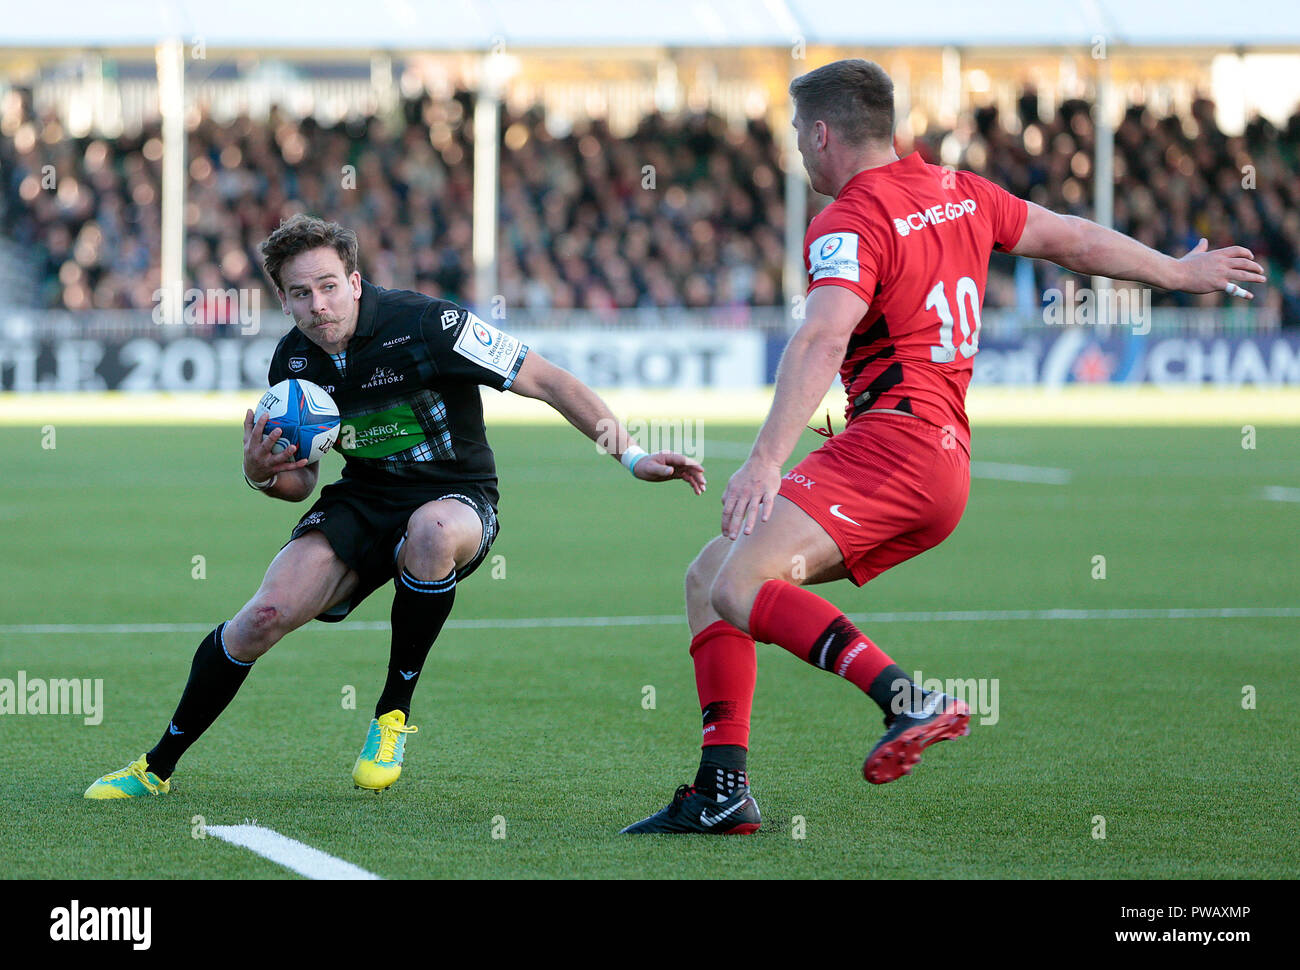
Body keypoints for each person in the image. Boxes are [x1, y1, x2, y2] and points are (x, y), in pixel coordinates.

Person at [622, 59, 1265, 834]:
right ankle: (722, 790)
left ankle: (906, 699)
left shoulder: (848, 220)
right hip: (938, 463)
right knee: (711, 575)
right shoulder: (961, 192)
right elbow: (1076, 241)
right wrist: (1175, 271)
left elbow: (822, 334)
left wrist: (765, 457)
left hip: (891, 450)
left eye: (798, 133)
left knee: (737, 583)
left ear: (823, 133)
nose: (797, 148)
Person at [86, 214, 705, 798]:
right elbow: (301, 484)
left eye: (329, 286)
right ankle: (156, 767)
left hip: (455, 495)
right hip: (363, 499)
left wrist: (631, 455)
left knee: (431, 532)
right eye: (300, 294)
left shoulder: (430, 326)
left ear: (355, 281)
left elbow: (548, 380)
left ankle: (392, 713)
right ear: (284, 301)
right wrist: (258, 474)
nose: (318, 304)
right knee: (263, 616)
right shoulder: (292, 362)